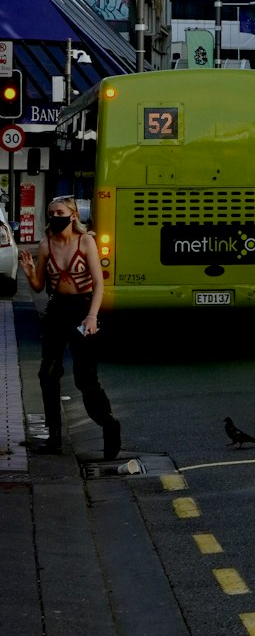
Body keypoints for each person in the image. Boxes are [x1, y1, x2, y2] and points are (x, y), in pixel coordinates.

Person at [18, 196, 121, 459]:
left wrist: (92, 317)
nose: (54, 217)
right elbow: (40, 286)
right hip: (57, 310)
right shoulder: (45, 246)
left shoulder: (85, 242)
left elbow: (99, 283)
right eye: (51, 213)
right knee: (47, 373)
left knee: (84, 378)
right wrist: (30, 273)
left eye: (60, 212)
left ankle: (109, 425)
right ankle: (55, 438)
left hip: (82, 309)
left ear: (73, 215)